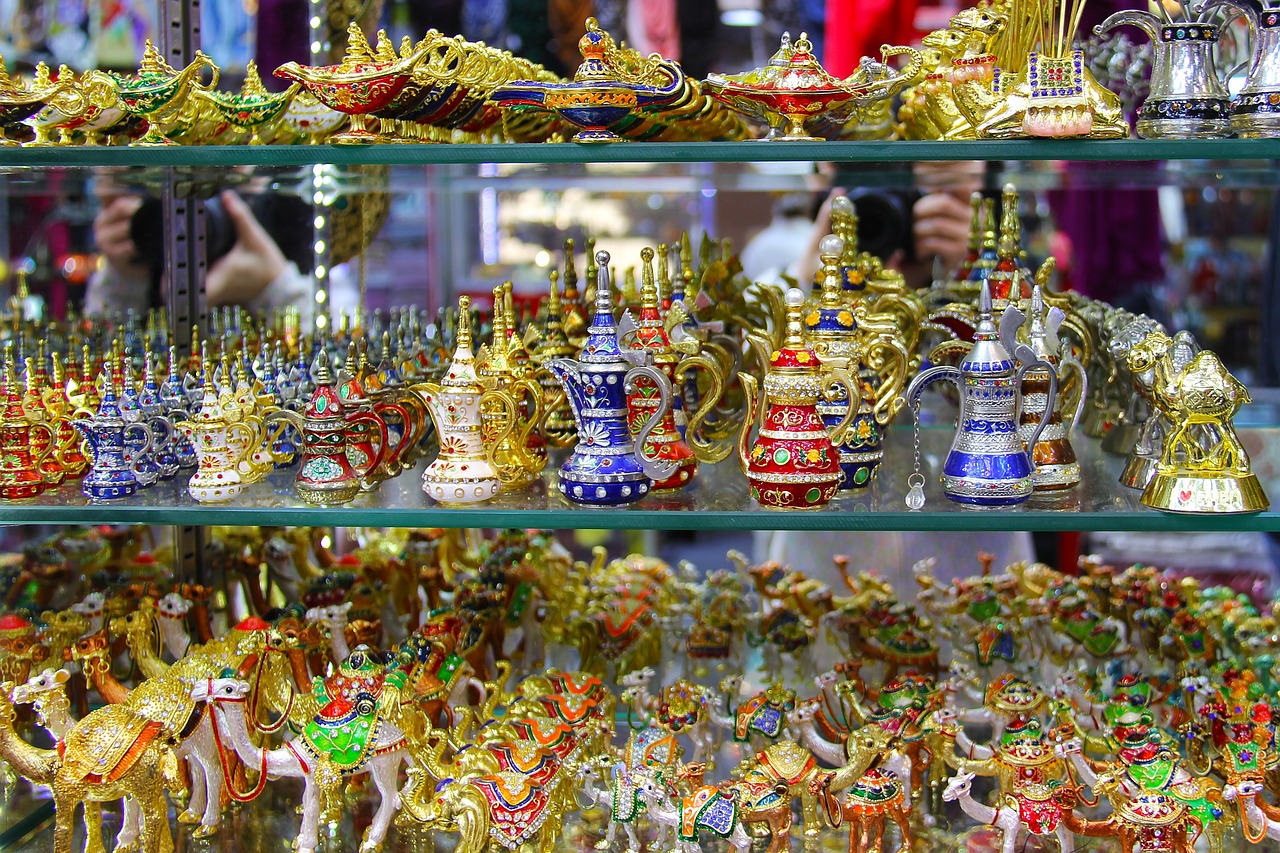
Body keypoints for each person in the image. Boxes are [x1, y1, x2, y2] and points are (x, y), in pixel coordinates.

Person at [747, 160, 1036, 593]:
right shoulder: (798, 280)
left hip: (973, 557)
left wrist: (976, 270)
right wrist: (808, 282)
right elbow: (744, 388)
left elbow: (1041, 384)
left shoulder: (991, 279)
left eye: (929, 183)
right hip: (825, 563)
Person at [87, 184, 316, 322]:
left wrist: (274, 286)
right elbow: (96, 339)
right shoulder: (141, 226)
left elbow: (326, 349)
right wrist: (125, 275)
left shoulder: (294, 211)